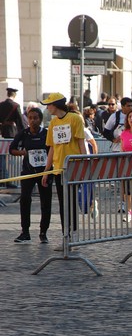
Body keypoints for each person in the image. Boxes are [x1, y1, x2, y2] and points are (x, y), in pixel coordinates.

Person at [40, 93, 85, 246]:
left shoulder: (75, 119)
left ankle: (73, 234)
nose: (47, 108)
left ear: (57, 105)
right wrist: (47, 171)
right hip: (58, 169)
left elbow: (81, 144)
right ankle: (66, 236)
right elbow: (52, 148)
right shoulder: (52, 123)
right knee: (62, 203)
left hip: (73, 168)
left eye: (49, 104)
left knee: (71, 202)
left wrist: (84, 165)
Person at [9, 107, 52, 244]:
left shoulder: (46, 133)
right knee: (25, 200)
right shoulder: (23, 133)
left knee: (46, 202)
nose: (33, 121)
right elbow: (12, 149)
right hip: (28, 172)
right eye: (30, 118)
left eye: (35, 118)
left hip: (44, 172)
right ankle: (25, 232)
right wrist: (23, 153)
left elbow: (53, 150)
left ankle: (43, 232)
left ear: (40, 119)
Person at [0, 88, 24, 188]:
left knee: (2, 156)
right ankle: (8, 179)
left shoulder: (1, 105)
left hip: (2, 131)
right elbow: (20, 122)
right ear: (14, 95)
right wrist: (22, 135)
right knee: (9, 157)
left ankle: (4, 178)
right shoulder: (15, 105)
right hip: (11, 133)